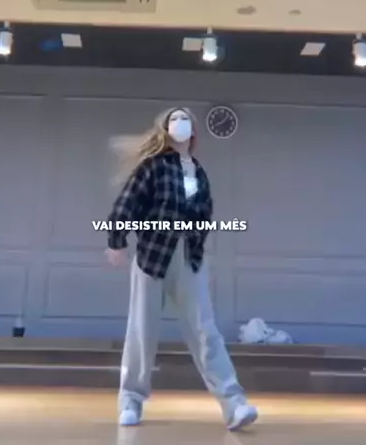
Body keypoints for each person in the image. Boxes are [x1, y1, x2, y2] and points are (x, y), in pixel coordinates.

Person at [105, 107, 258, 431]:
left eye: (185, 119)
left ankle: (234, 404)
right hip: (152, 258)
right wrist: (116, 240)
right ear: (165, 128)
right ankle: (130, 401)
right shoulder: (152, 167)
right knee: (142, 331)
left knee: (205, 331)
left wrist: (195, 240)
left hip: (189, 258)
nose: (179, 123)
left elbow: (205, 213)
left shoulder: (198, 172)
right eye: (174, 119)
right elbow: (127, 202)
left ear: (193, 131)